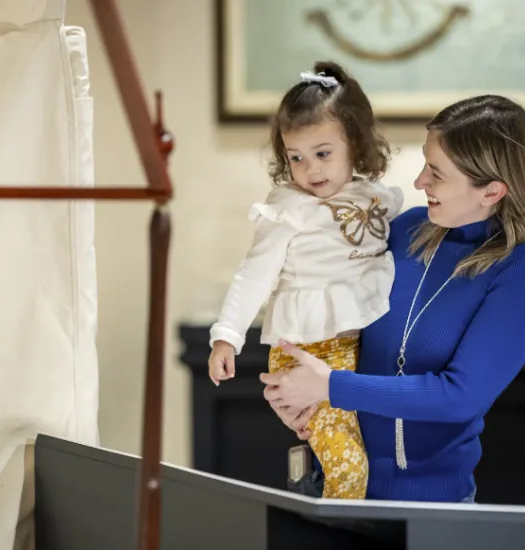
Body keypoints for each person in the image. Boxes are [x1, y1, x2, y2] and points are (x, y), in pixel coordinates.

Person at [261, 93, 525, 503]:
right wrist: (293, 396)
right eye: (424, 163)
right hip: (333, 494)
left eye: (437, 173)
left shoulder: (516, 271)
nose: (420, 182)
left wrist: (330, 387)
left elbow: (460, 397)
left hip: (433, 516)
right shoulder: (402, 230)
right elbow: (327, 317)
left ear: (491, 191)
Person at [207, 61, 404, 499]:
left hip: (359, 355)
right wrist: (226, 337)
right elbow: (253, 275)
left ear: (355, 142)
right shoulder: (289, 209)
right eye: (296, 157)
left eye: (322, 153)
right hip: (305, 354)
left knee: (361, 462)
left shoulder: (376, 196)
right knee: (349, 470)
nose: (310, 169)